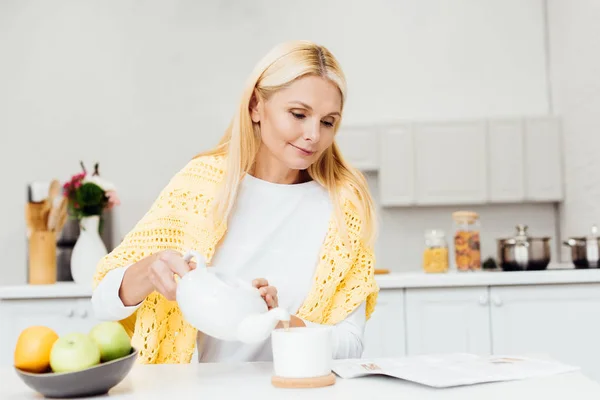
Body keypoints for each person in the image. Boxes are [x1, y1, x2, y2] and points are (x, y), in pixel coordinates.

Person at [91, 40, 379, 365]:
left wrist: (278, 321)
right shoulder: (200, 184)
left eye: (328, 121)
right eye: (298, 114)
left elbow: (351, 343)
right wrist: (147, 272)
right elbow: (102, 303)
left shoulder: (345, 206)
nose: (314, 134)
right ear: (256, 106)